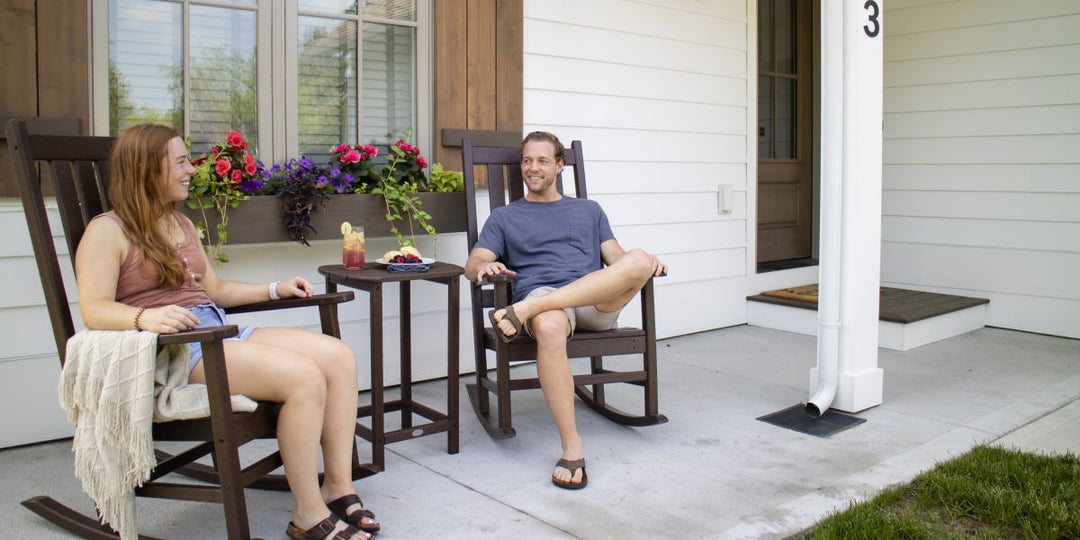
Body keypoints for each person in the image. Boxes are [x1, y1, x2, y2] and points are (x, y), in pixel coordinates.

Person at [75, 124, 378, 540]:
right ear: (147, 170)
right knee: (305, 378)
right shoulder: (106, 230)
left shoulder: (178, 222)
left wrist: (274, 288)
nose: (191, 170)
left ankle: (337, 485)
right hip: (182, 349)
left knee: (338, 357)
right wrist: (144, 318)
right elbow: (93, 308)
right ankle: (308, 514)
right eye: (180, 162)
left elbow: (214, 290)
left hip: (218, 328)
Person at [464, 131, 667, 489]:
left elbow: (618, 259)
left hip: (591, 300)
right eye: (527, 160)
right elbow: (474, 262)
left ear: (559, 165)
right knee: (549, 326)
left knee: (638, 258)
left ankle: (529, 308)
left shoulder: (589, 210)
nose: (532, 168)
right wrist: (484, 267)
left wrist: (644, 266)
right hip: (544, 300)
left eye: (542, 160)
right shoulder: (504, 217)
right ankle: (572, 447)